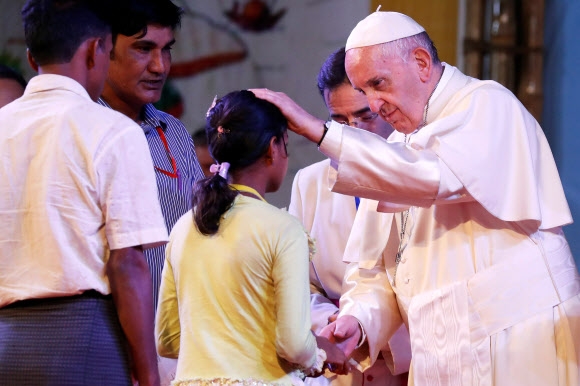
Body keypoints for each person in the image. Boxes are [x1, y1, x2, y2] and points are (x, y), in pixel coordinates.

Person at [252, 10, 580, 386]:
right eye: (365, 92)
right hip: (440, 357)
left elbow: (431, 176)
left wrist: (318, 131)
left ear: (421, 63)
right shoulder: (396, 149)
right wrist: (357, 321)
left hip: (518, 345)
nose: (375, 105)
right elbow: (376, 271)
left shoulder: (487, 104)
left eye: (378, 84)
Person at [0, 1, 168, 385]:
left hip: (5, 341)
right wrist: (148, 372)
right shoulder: (111, 130)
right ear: (96, 50)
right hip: (83, 339)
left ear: (30, 56)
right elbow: (128, 265)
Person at [155, 90, 349, 385]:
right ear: (273, 147)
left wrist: (219, 347)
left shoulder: (183, 227)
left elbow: (167, 339)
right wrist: (321, 352)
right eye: (285, 145)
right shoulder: (281, 228)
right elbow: (294, 344)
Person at [289, 47, 410, 386]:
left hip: (415, 363)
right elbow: (298, 283)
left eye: (365, 117)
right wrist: (337, 321)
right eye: (340, 121)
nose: (352, 133)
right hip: (343, 366)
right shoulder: (310, 183)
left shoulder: (423, 177)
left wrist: (367, 320)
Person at [98, 0, 204, 312]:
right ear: (101, 48)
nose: (160, 66)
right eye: (143, 49)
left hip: (179, 335)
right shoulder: (82, 131)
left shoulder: (173, 131)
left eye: (166, 49)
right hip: (106, 334)